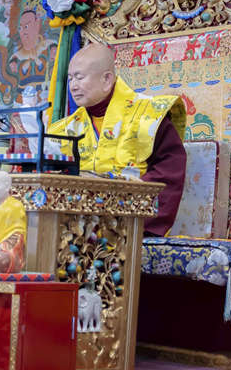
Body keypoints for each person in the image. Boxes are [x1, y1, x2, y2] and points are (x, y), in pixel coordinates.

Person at [47, 41, 187, 236]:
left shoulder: (149, 114)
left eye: (79, 77)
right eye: (70, 79)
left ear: (107, 79)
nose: (73, 86)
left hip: (130, 224)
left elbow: (169, 171)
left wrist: (122, 213)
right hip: (75, 228)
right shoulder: (64, 128)